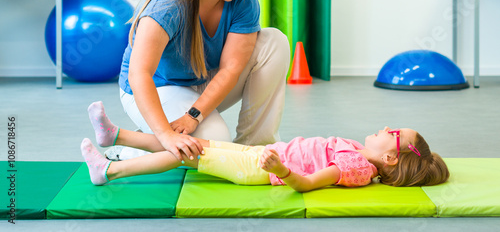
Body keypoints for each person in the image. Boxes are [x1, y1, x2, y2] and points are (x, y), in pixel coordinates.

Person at [117, 0, 290, 162]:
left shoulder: (243, 0)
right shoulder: (170, 3)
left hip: (201, 80)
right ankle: (133, 148)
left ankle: (255, 151)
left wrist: (193, 116)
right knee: (216, 144)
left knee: (274, 41)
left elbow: (231, 68)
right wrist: (166, 134)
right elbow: (139, 75)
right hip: (156, 87)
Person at [82, 102, 450, 191]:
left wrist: (279, 170)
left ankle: (109, 170)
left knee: (185, 154)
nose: (387, 127)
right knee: (190, 142)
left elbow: (308, 184)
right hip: (258, 156)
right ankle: (117, 137)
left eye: (395, 132)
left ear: (389, 156)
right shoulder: (357, 149)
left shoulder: (357, 168)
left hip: (258, 168)